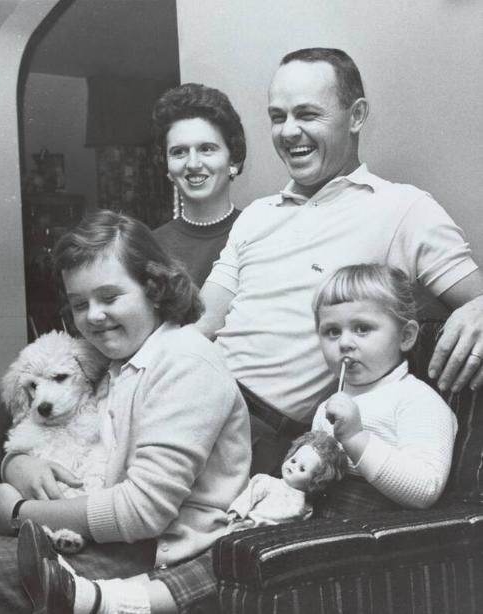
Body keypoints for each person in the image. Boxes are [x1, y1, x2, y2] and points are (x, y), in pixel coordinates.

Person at [198, 47, 483, 478]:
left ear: (356, 115)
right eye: (278, 117)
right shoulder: (256, 215)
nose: (289, 131)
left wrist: (479, 308)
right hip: (195, 395)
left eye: (307, 114)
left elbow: (476, 296)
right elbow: (199, 325)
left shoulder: (402, 208)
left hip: (259, 433)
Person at [0, 209, 251, 614]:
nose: (92, 315)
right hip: (109, 536)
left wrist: (21, 513)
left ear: (153, 287)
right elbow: (58, 432)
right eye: (79, 304)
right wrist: (16, 464)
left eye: (109, 297)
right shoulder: (112, 362)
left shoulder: (186, 363)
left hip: (162, 556)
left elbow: (143, 511)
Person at [311, 263, 458, 515]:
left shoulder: (417, 400)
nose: (345, 342)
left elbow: (425, 490)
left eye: (362, 328)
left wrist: (356, 438)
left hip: (380, 540)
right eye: (332, 332)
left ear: (405, 336)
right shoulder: (328, 407)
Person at [152, 83, 246, 287]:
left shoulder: (257, 231)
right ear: (167, 167)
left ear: (234, 159)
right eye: (179, 152)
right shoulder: (150, 247)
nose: (193, 164)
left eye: (206, 149)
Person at [227, 430, 346, 531]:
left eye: (302, 468)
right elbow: (249, 496)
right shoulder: (268, 482)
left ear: (315, 481)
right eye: (293, 460)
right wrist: (237, 511)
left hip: (268, 540)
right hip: (247, 527)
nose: (293, 466)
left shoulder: (306, 508)